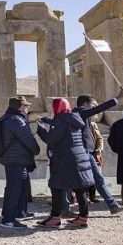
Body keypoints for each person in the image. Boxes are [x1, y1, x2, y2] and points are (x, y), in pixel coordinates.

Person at [36, 98, 94, 228]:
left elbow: (50, 139)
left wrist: (40, 129)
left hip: (65, 159)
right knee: (80, 189)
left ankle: (55, 218)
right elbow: (62, 125)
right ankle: (83, 217)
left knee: (56, 187)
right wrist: (47, 120)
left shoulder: (61, 121)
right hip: (78, 157)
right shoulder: (73, 117)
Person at [72, 88, 123, 214]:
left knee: (95, 180)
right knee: (93, 180)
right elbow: (99, 109)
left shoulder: (80, 115)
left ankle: (112, 205)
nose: (94, 107)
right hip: (84, 153)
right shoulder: (80, 112)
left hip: (87, 153)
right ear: (85, 104)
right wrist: (118, 97)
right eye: (92, 104)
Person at [0, 96, 40, 229]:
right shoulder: (16, 120)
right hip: (16, 160)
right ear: (19, 107)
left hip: (14, 159)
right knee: (14, 188)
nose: (27, 109)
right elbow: (27, 138)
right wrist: (36, 149)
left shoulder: (8, 118)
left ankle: (17, 212)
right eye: (25, 106)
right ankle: (8, 220)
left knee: (18, 186)